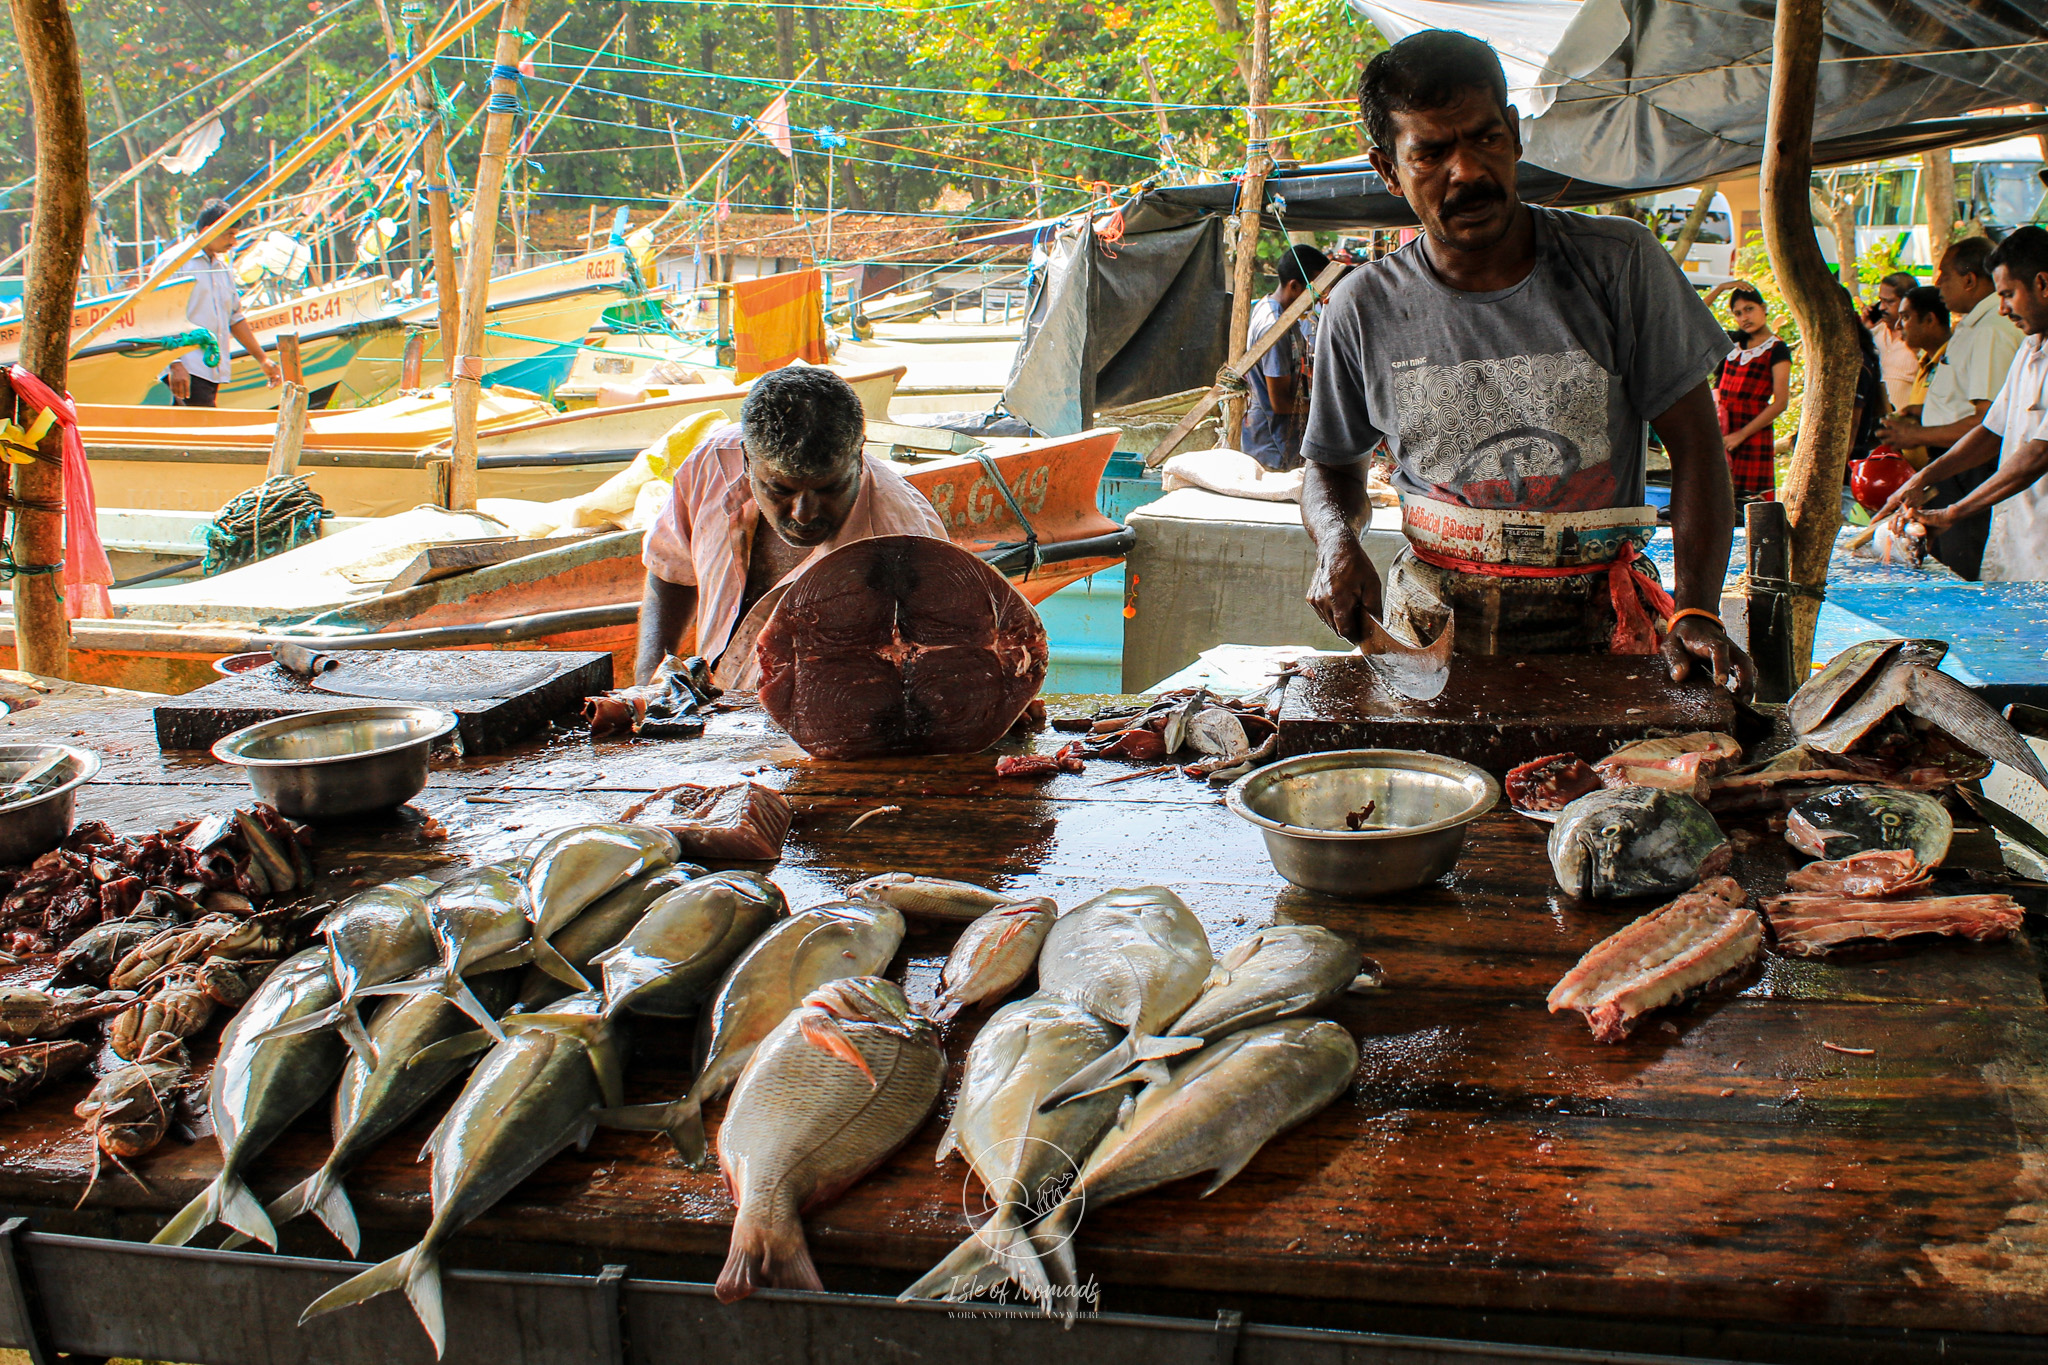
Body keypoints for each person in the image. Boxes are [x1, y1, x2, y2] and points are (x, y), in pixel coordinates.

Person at [1299, 30, 1753, 693]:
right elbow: (1330, 469)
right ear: (1388, 169)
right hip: (1431, 626)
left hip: (1605, 620)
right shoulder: (1361, 308)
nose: (1468, 173)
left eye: (1484, 138)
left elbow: (1697, 447)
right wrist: (1337, 541)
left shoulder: (1619, 263)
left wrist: (1696, 607)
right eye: (1430, 153)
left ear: (1513, 134)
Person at [636, 366, 947, 685]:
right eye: (780, 490)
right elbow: (669, 565)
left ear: (858, 453)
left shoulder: (904, 542)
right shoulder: (713, 462)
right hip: (716, 713)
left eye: (829, 489)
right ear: (747, 459)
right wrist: (648, 683)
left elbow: (931, 676)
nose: (804, 515)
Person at [1875, 225, 2048, 581]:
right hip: (2019, 540)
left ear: (2043, 285)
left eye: (2009, 294)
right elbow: (1991, 431)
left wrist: (1955, 511)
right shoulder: (2030, 348)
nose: (2002, 309)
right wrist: (1921, 479)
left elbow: (2039, 453)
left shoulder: (2000, 334)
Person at [153, 198, 279, 407]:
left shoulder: (221, 267)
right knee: (201, 431)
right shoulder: (174, 263)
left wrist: (263, 360)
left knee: (201, 431)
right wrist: (174, 365)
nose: (234, 242)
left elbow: (235, 318)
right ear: (208, 230)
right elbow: (155, 316)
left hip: (211, 367)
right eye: (229, 235)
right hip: (186, 368)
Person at [1240, 244, 1331, 471]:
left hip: (1277, 444)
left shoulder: (1275, 311)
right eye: (1316, 290)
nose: (1319, 299)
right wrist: (1327, 409)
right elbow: (1279, 403)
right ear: (1294, 286)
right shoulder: (1274, 326)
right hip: (1272, 449)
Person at [1705, 282, 1790, 500]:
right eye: (1738, 313)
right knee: (1718, 497)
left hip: (1753, 434)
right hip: (1722, 429)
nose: (1744, 317)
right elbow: (1694, 318)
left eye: (1750, 309)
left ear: (1764, 308)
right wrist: (1722, 287)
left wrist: (1741, 435)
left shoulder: (1776, 348)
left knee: (1750, 503)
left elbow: (1780, 402)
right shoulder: (1731, 343)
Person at [1891, 285, 1951, 468]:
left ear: (1930, 319)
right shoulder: (1925, 362)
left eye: (1906, 317)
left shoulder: (1954, 362)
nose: (1898, 326)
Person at [1866, 270, 1921, 411]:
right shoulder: (1874, 334)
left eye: (1889, 302)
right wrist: (1864, 330)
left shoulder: (1920, 339)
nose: (1882, 307)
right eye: (1881, 301)